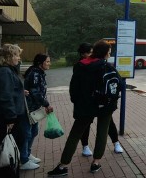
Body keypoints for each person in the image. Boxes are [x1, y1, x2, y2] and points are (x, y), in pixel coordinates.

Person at [47, 40, 119, 177]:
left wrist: (78, 102)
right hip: (105, 105)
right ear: (104, 53)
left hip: (85, 106)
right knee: (102, 132)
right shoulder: (107, 67)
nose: (110, 55)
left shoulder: (80, 66)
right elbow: (118, 84)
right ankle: (96, 163)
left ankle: (63, 166)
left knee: (75, 134)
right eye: (109, 52)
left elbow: (73, 88)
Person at [75, 43, 124, 157]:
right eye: (88, 52)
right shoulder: (80, 66)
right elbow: (76, 87)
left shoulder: (103, 66)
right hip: (89, 103)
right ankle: (86, 148)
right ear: (83, 54)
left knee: (108, 124)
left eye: (92, 52)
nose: (90, 55)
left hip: (101, 102)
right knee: (86, 125)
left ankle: (115, 143)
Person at [0, 43, 26, 178]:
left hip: (5, 114)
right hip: (7, 116)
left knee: (6, 145)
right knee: (8, 147)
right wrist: (10, 118)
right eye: (16, 55)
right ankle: (6, 173)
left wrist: (20, 91)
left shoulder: (4, 69)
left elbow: (8, 91)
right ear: (8, 56)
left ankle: (4, 173)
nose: (18, 58)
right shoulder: (4, 71)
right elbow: (5, 96)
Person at [20, 54, 54, 170]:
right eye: (47, 62)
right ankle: (23, 160)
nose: (49, 64)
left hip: (34, 108)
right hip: (28, 108)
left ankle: (27, 155)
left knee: (33, 131)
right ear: (40, 63)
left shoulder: (38, 72)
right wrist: (47, 104)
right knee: (27, 134)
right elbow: (35, 92)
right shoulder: (35, 73)